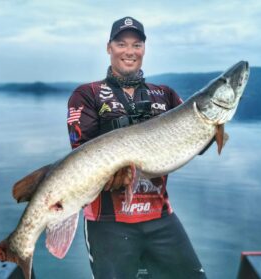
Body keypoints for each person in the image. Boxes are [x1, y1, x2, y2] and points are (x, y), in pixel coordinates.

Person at [67, 16, 206, 279]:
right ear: (109, 47)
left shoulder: (165, 94)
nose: (129, 51)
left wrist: (215, 120)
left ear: (144, 49)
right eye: (121, 44)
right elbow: (81, 154)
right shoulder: (87, 94)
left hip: (161, 217)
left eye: (137, 45)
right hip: (108, 224)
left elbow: (196, 140)